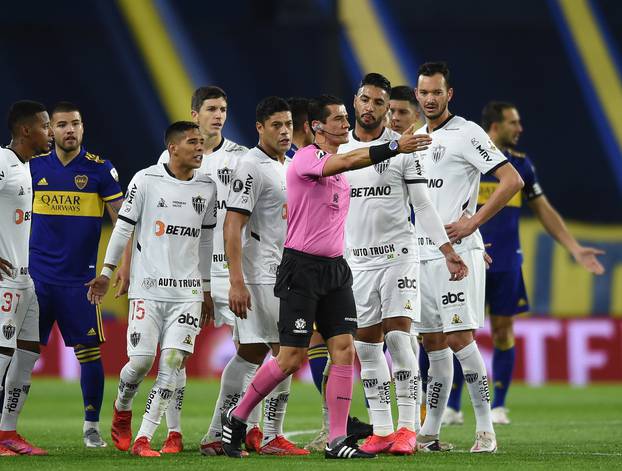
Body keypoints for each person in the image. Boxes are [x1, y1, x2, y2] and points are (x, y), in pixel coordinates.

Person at [220, 94, 434, 460]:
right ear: (316, 127)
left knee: (345, 351)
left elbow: (352, 162)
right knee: (290, 358)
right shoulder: (306, 159)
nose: (345, 123)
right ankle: (236, 417)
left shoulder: (337, 164)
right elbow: (349, 159)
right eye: (337, 119)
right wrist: (395, 147)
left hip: (336, 270)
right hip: (301, 269)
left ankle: (337, 441)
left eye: (344, 117)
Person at [442, 101, 606, 426]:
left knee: (503, 330)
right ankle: (451, 406)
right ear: (495, 126)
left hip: (505, 262)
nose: (520, 129)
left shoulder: (520, 165)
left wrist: (573, 247)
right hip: (464, 258)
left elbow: (544, 209)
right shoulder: (464, 159)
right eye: (513, 123)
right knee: (456, 331)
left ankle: (498, 406)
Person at [338, 73, 468, 456]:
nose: (372, 108)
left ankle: (407, 429)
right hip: (356, 263)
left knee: (398, 337)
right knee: (367, 347)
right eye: (366, 100)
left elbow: (423, 206)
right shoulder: (340, 152)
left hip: (398, 256)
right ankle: (381, 429)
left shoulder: (402, 151)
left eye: (380, 102)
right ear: (355, 101)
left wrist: (446, 250)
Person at [86, 121, 217, 457]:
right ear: (173, 148)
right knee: (141, 362)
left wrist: (205, 290)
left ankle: (144, 436)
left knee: (172, 362)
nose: (199, 148)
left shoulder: (207, 186)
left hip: (186, 295)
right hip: (148, 290)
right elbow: (122, 229)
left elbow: (205, 242)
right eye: (192, 142)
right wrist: (107, 271)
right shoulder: (145, 180)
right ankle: (122, 404)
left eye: (201, 142)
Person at [412, 62, 524, 454]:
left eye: (436, 92)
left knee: (460, 338)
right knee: (432, 343)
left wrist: (473, 222)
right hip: (422, 254)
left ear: (449, 94)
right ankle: (429, 431)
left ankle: (485, 430)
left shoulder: (467, 133)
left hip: (456, 253)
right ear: (417, 94)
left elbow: (512, 180)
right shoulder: (414, 138)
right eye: (423, 92)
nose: (429, 99)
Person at [201, 97, 308, 456]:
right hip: (263, 274)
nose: (284, 131)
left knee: (250, 352)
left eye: (288, 124)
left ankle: (217, 433)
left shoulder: (291, 165)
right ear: (259, 128)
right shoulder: (251, 166)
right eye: (276, 125)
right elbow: (233, 226)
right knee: (285, 353)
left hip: (285, 272)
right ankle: (272, 434)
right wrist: (237, 281)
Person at [148, 86, 249, 453]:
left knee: (254, 349)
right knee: (178, 354)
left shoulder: (241, 157)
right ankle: (172, 431)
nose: (218, 115)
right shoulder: (169, 158)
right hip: (190, 274)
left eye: (223, 109)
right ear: (195, 113)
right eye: (210, 109)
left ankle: (231, 428)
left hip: (234, 270)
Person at [27, 102, 123, 448]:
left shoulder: (99, 170)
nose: (70, 130)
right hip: (34, 279)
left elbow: (121, 221)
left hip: (79, 282)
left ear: (83, 129)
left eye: (76, 124)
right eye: (63, 124)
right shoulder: (32, 166)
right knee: (21, 355)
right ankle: (8, 426)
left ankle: (91, 426)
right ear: (49, 131)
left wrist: (120, 266)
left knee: (89, 353)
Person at [0, 100, 53, 456]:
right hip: (5, 281)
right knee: (2, 355)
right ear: (25, 130)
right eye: (45, 125)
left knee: (28, 353)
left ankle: (8, 434)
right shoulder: (2, 162)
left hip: (28, 280)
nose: (49, 132)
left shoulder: (29, 167)